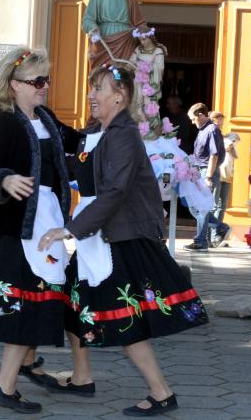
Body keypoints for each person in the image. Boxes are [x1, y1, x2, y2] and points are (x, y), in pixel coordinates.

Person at [38, 63, 209, 417]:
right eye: (91, 89)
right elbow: (71, 149)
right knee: (72, 305)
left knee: (124, 316)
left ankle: (161, 392)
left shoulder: (124, 136)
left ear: (120, 96)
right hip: (94, 237)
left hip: (118, 238)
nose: (90, 96)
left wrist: (70, 229)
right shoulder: (95, 131)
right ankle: (82, 377)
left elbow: (114, 192)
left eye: (97, 89)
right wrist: (38, 113)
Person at [0, 46, 84, 414]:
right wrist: (5, 182)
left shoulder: (47, 118)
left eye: (46, 80)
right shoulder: (1, 122)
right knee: (27, 302)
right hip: (16, 229)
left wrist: (115, 123)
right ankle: (5, 386)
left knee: (37, 300)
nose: (44, 86)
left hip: (49, 222)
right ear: (13, 85)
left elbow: (79, 143)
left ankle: (19, 371)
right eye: (36, 81)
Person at [82, 0, 149, 69]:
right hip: (103, 41)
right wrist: (93, 28)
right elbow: (87, 20)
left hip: (125, 42)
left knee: (123, 75)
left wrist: (145, 34)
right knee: (102, 74)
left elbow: (140, 23)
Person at [184, 103, 228, 251]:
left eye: (193, 119)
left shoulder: (212, 130)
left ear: (201, 115)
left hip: (207, 172)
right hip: (199, 171)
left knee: (201, 208)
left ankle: (201, 241)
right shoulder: (203, 130)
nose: (192, 122)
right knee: (196, 207)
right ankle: (220, 227)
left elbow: (214, 155)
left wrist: (208, 177)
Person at [210, 111, 239, 247]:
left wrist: (231, 148)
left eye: (221, 119)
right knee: (213, 205)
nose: (221, 122)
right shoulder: (213, 134)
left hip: (227, 175)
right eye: (219, 119)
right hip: (216, 173)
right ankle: (209, 236)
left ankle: (217, 236)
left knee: (222, 206)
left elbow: (235, 155)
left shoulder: (226, 137)